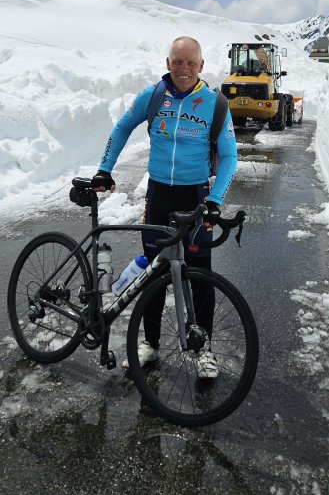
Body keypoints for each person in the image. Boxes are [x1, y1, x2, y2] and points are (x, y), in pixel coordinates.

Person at [91, 35, 238, 379]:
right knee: (153, 273)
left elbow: (230, 156)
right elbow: (122, 127)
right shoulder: (153, 96)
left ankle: (203, 349)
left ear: (201, 66)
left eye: (190, 63)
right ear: (167, 63)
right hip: (158, 197)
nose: (183, 69)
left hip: (196, 198)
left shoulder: (214, 104)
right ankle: (150, 345)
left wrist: (214, 202)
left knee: (200, 276)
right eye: (177, 62)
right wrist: (104, 168)